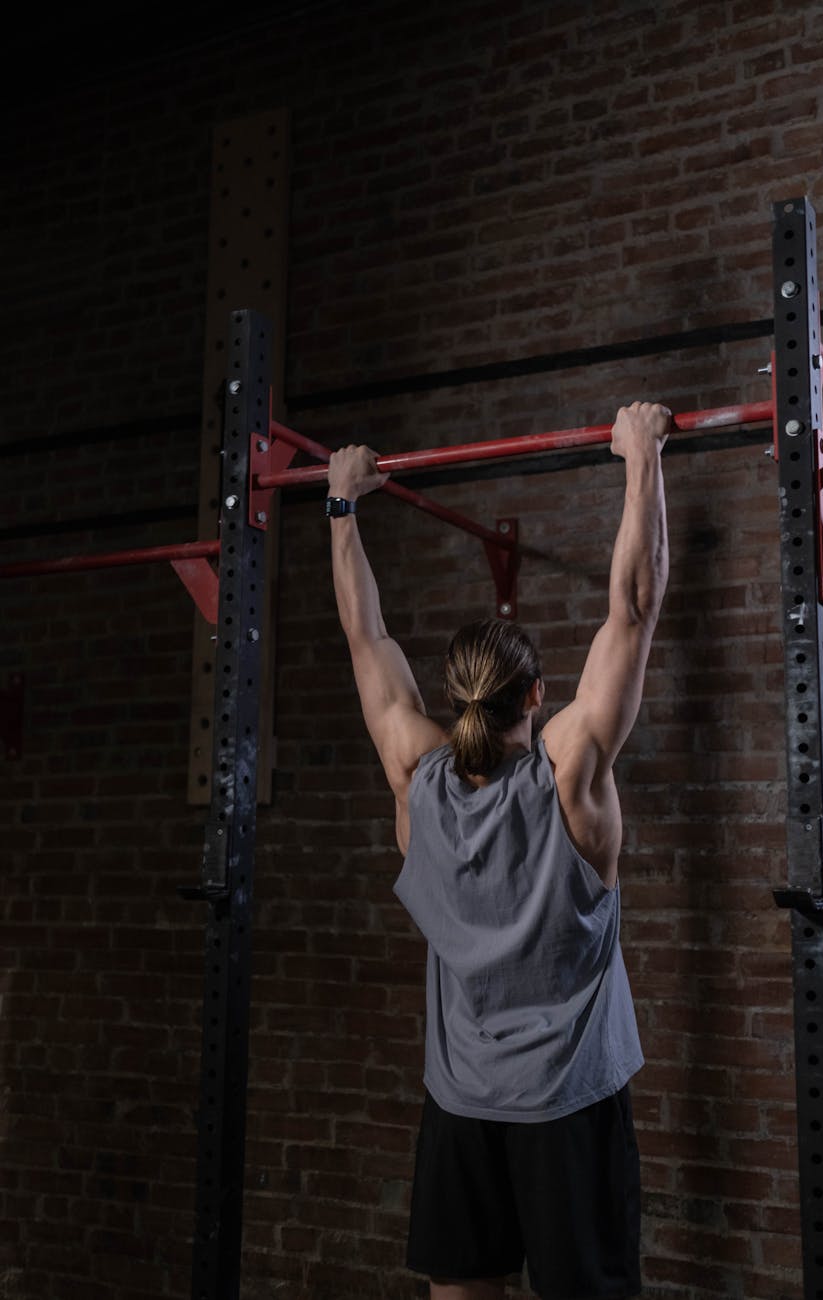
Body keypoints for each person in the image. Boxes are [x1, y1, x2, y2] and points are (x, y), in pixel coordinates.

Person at [327, 401, 670, 1300]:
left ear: (456, 695)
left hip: (459, 1110)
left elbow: (365, 638)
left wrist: (340, 506)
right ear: (537, 696)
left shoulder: (416, 779)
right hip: (567, 1109)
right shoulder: (569, 782)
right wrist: (640, 457)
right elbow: (632, 612)